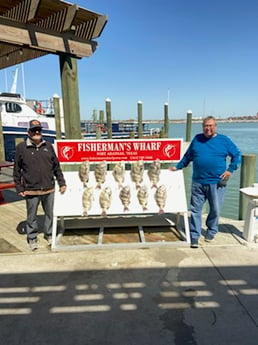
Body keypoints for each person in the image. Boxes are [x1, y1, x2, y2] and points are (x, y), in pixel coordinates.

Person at [170, 116, 241, 248]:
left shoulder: (224, 140)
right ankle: (195, 235)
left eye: (211, 126)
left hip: (217, 182)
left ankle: (211, 230)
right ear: (203, 127)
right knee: (195, 210)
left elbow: (237, 155)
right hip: (198, 182)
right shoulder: (197, 139)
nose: (208, 128)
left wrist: (230, 170)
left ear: (215, 126)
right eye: (205, 126)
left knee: (215, 210)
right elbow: (187, 157)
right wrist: (178, 166)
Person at [13, 119, 66, 251]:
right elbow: (16, 170)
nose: (37, 132)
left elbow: (56, 167)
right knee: (31, 216)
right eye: (33, 130)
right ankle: (32, 237)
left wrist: (62, 182)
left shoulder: (48, 146)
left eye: (39, 130)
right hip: (31, 190)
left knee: (49, 214)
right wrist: (19, 188)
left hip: (49, 188)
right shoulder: (21, 148)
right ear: (28, 132)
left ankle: (48, 234)